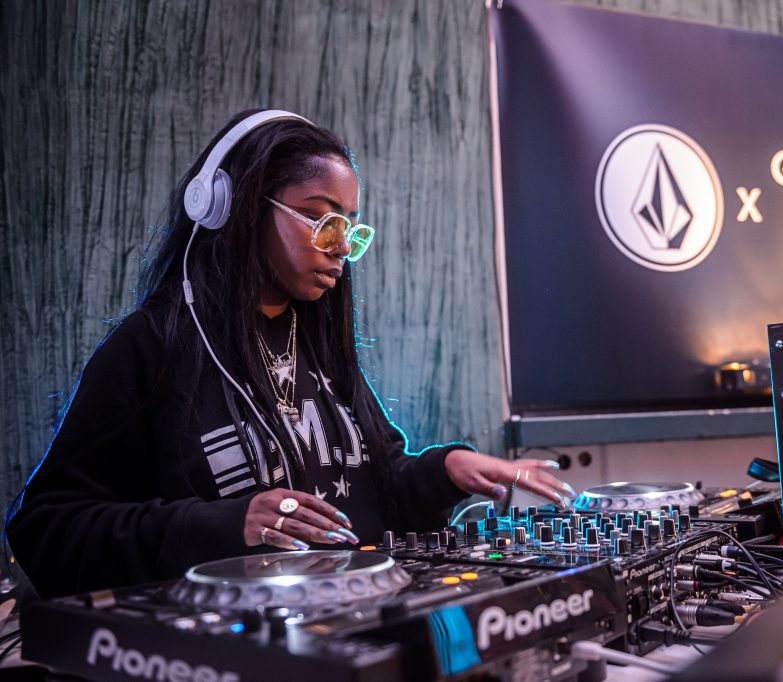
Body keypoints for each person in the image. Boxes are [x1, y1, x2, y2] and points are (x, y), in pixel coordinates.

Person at [7, 110, 574, 598]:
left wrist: (444, 471)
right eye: (324, 221)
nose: (341, 249)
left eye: (350, 230)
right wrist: (226, 525)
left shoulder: (318, 342)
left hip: (348, 629)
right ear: (237, 207)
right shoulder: (152, 347)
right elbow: (48, 529)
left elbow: (376, 492)